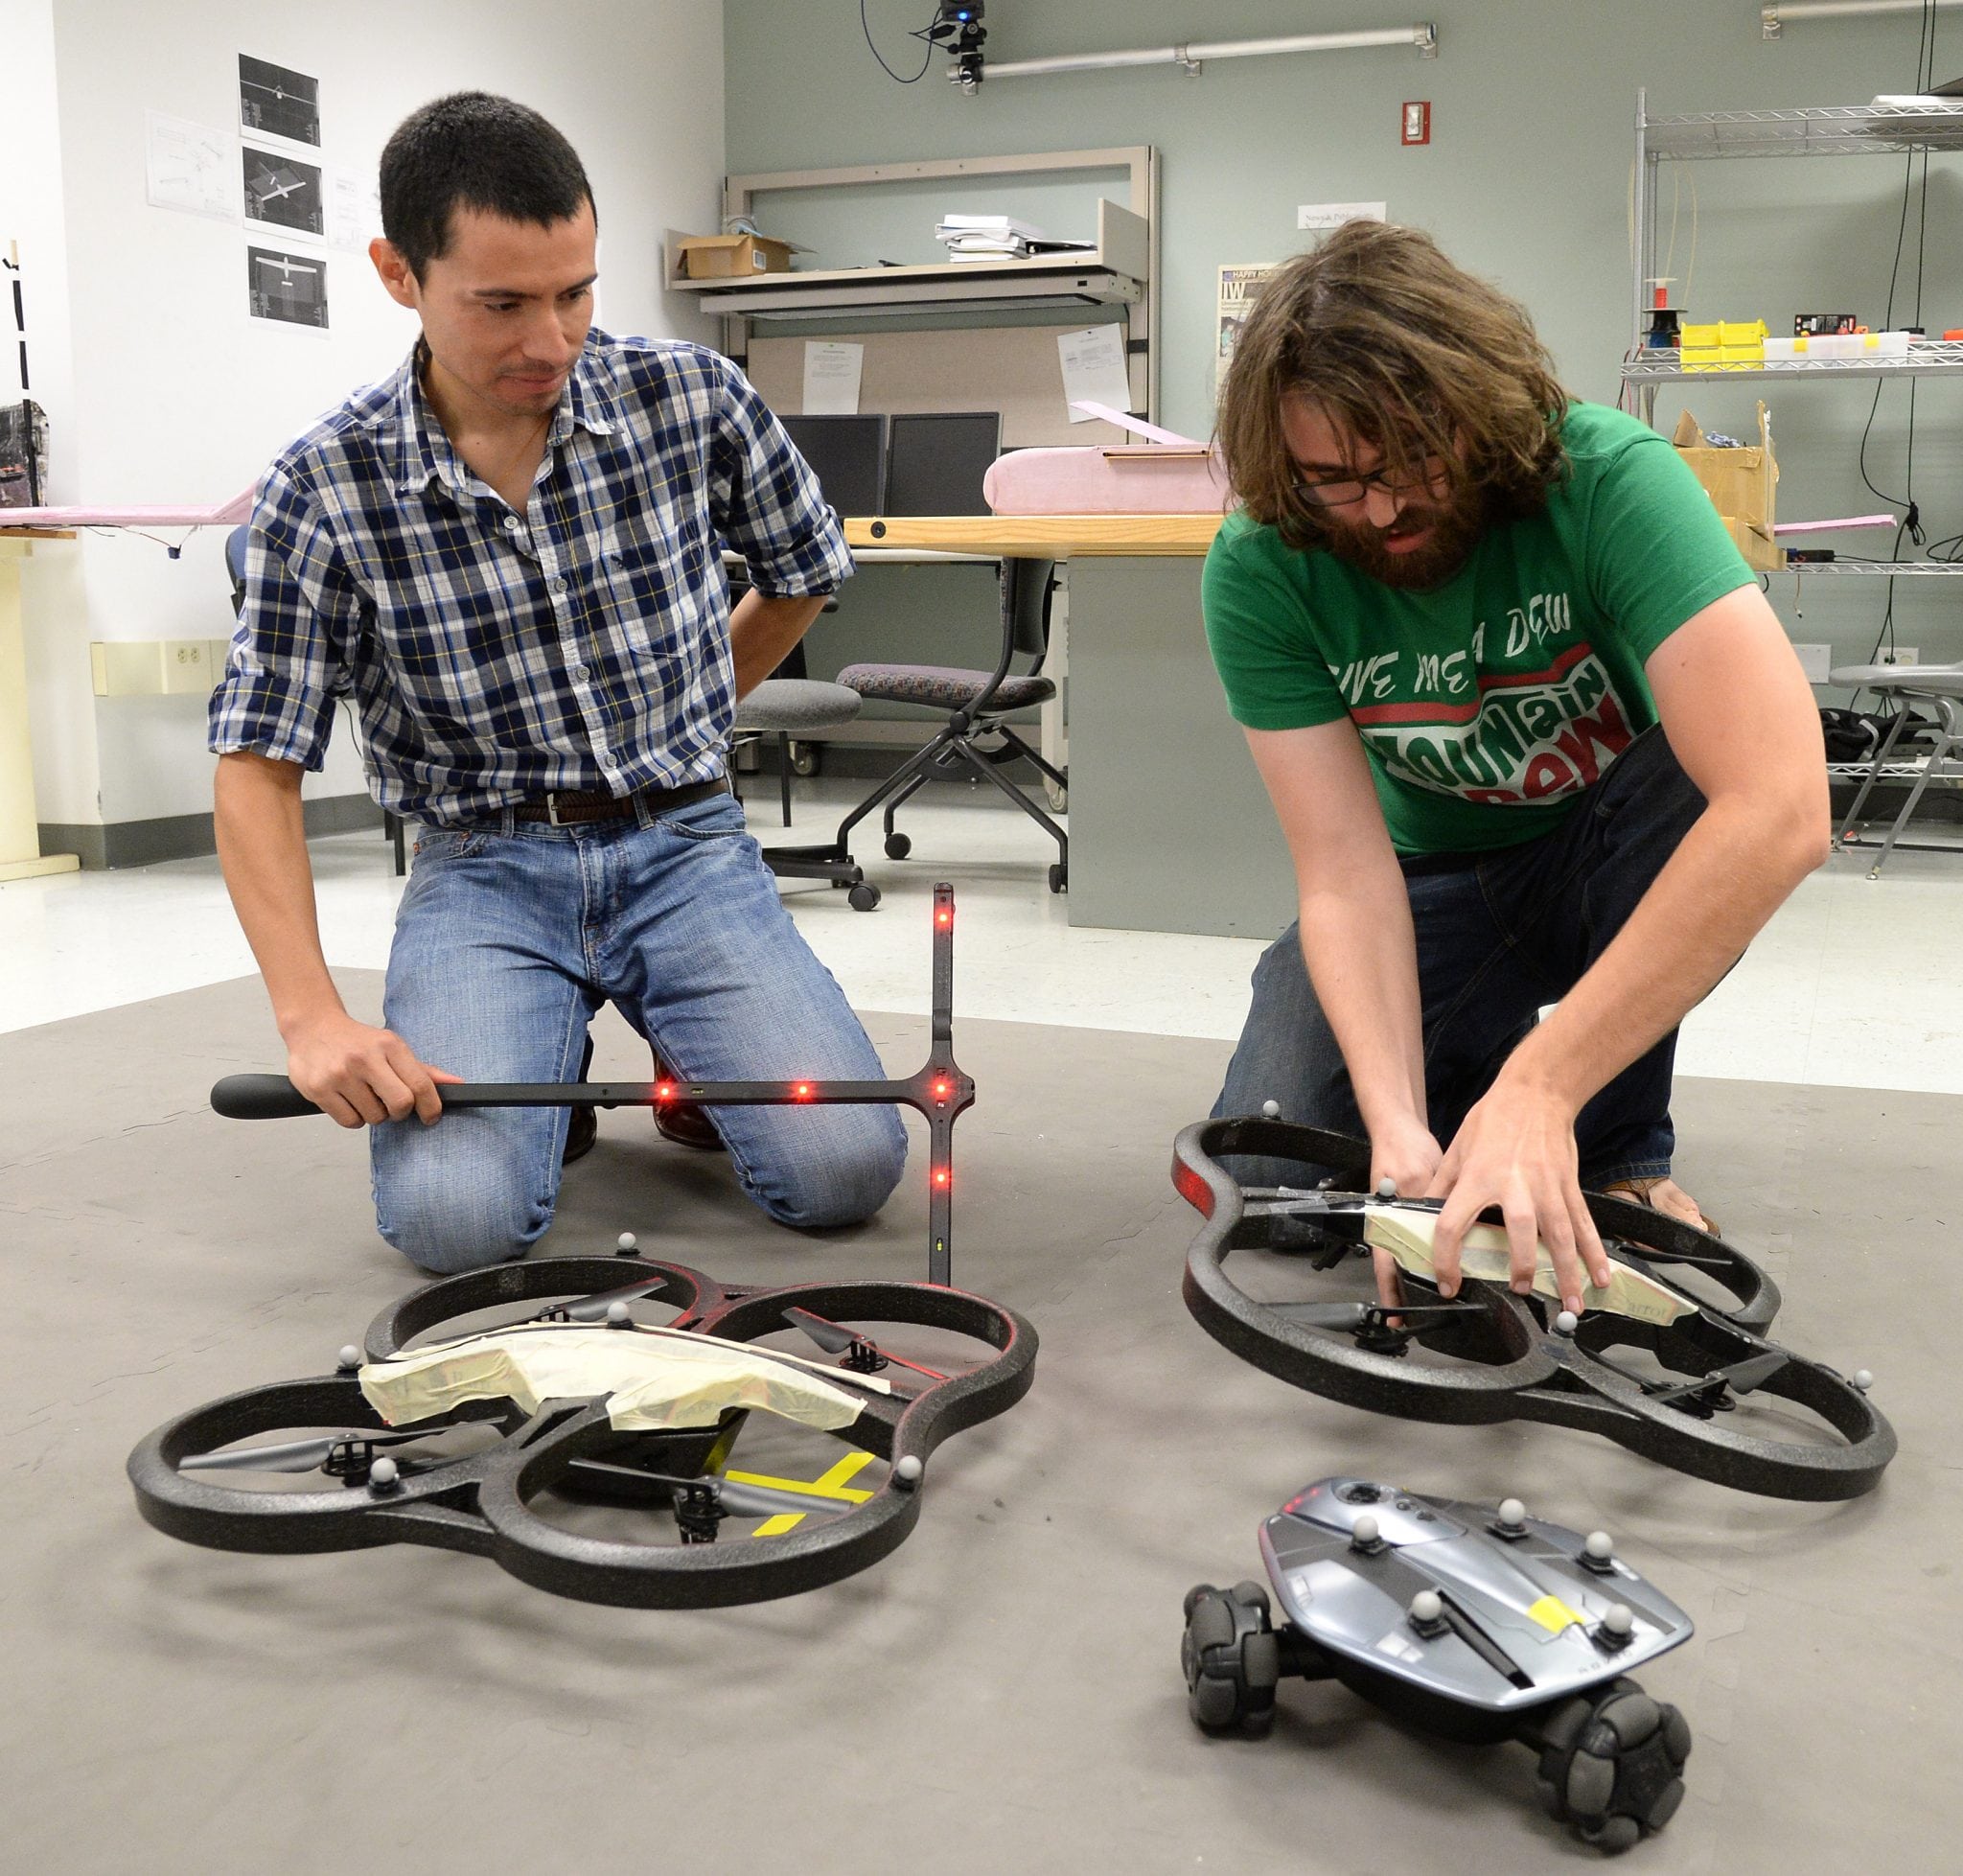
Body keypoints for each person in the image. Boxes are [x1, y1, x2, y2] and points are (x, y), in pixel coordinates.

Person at [208, 92, 905, 1274]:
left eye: (575, 292)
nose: (551, 339)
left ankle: (691, 1049)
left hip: (682, 846)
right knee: (456, 1228)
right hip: (483, 872)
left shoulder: (688, 399)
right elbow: (257, 767)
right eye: (502, 303)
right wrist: (312, 1018)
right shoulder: (322, 489)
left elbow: (803, 571)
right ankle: (549, 1065)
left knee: (846, 1170)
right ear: (398, 274)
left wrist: (690, 708)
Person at [1203, 220, 1828, 1315]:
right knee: (1278, 1176)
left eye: (1410, 466)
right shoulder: (1262, 563)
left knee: (1702, 774)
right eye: (1334, 483)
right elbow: (1345, 874)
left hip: (1608, 849)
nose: (1382, 511)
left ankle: (1613, 1144)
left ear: (1473, 408)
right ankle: (1479, 1100)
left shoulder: (1603, 474)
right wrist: (1397, 1130)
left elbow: (1781, 805)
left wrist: (1541, 1087)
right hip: (1435, 879)